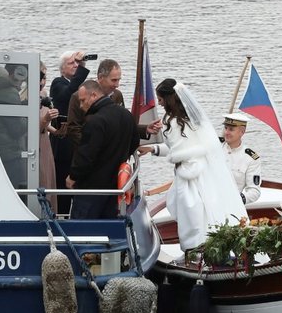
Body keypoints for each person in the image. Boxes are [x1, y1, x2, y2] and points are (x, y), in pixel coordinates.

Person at [141, 78, 247, 250]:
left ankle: (194, 249)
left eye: (160, 99)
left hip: (189, 173)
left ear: (168, 99)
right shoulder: (194, 118)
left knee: (191, 213)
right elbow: (184, 149)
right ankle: (214, 246)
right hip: (205, 171)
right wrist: (153, 149)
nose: (159, 103)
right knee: (207, 209)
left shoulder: (172, 122)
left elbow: (179, 151)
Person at [66, 80, 140, 220]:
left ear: (93, 95)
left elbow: (86, 156)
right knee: (110, 227)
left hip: (91, 189)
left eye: (83, 101)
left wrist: (73, 176)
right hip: (115, 186)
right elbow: (134, 142)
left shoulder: (95, 121)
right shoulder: (126, 115)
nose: (81, 106)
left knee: (81, 230)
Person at [50, 51, 91, 214]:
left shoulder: (81, 87)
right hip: (63, 143)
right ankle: (62, 215)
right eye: (71, 63)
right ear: (62, 69)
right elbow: (68, 93)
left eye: (77, 63)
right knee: (63, 184)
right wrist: (81, 70)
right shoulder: (58, 83)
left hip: (77, 143)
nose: (75, 65)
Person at [221, 112, 263, 204]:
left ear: (242, 132)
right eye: (225, 128)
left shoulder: (251, 159)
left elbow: (254, 191)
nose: (226, 132)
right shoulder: (213, 148)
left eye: (231, 129)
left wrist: (239, 198)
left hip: (231, 205)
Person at [37, 62, 59, 214]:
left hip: (45, 139)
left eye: (45, 77)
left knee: (49, 176)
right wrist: (45, 121)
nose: (43, 81)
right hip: (35, 141)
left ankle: (51, 212)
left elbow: (43, 119)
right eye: (41, 76)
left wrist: (56, 131)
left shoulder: (43, 95)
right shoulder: (24, 97)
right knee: (41, 176)